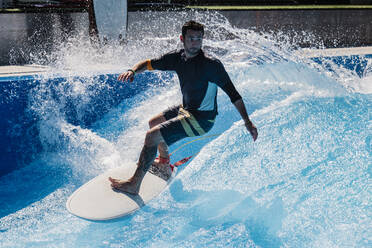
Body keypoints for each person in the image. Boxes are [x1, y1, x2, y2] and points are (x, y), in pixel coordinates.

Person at [109, 20, 258, 194]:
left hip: (201, 119)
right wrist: (132, 70)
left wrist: (247, 122)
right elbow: (148, 63)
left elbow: (234, 95)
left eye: (198, 38)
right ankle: (164, 164)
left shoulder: (211, 65)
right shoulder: (177, 58)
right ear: (182, 38)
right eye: (191, 38)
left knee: (152, 136)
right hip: (187, 109)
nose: (195, 42)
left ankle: (134, 185)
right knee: (153, 122)